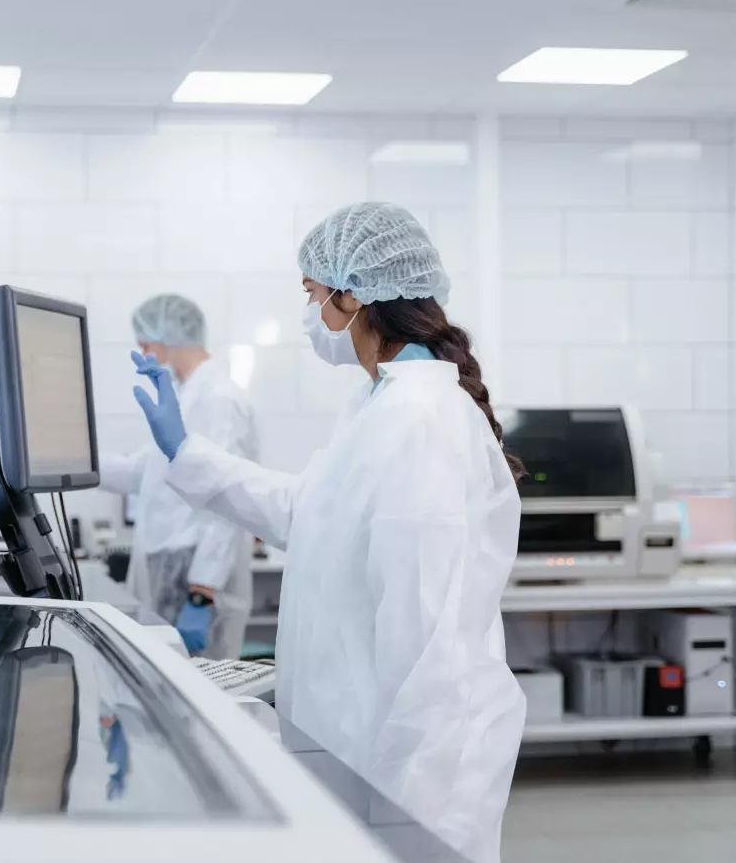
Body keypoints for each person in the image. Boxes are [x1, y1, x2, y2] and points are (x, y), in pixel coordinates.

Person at [129, 204, 526, 863]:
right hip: (355, 761)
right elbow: (308, 510)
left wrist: (419, 830)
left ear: (355, 295)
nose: (309, 314)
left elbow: (438, 664)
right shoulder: (379, 405)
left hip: (416, 792)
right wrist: (184, 453)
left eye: (312, 293)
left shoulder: (421, 422)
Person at [101, 293, 259, 659]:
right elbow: (143, 473)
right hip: (173, 572)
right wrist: (76, 461)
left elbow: (224, 499)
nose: (143, 353)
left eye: (145, 343)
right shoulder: (187, 396)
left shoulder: (218, 399)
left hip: (197, 583)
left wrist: (201, 594)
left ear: (168, 337)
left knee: (203, 700)